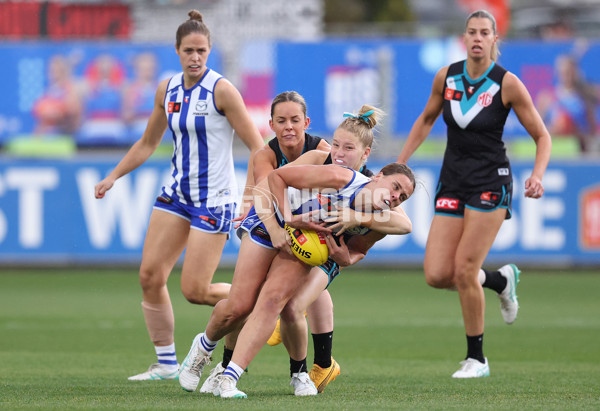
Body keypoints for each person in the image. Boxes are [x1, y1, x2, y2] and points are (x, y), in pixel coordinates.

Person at [178, 107, 413, 397]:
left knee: (277, 301)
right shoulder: (326, 163)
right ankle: (204, 348)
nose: (339, 152)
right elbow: (271, 184)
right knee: (240, 306)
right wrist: (284, 223)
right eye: (336, 144)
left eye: (349, 148)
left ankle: (240, 376)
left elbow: (402, 225)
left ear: (366, 156)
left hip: (305, 239)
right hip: (271, 222)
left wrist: (351, 239)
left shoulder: (376, 195)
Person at [94, 9, 264, 381]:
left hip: (214, 199)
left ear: (210, 50)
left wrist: (249, 196)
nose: (195, 57)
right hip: (176, 195)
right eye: (189, 50)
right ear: (177, 50)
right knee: (150, 276)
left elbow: (258, 147)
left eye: (202, 50)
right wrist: (113, 177)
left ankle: (261, 301)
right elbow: (147, 142)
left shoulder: (222, 90)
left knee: (196, 290)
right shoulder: (166, 89)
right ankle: (166, 364)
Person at [396, 10, 552, 378]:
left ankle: (477, 359)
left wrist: (538, 175)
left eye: (485, 32)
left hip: (490, 181)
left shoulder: (507, 83)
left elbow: (542, 136)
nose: (478, 38)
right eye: (472, 32)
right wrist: (400, 164)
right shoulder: (446, 77)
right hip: (452, 180)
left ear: (495, 39)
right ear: (463, 38)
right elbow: (426, 119)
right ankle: (499, 280)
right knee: (436, 273)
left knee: (465, 269)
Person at [536, 53, 600, 153]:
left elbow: (592, 130)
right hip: (555, 148)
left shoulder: (585, 97)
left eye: (570, 72)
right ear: (558, 73)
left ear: (576, 72)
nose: (567, 75)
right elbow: (536, 129)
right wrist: (557, 128)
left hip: (579, 149)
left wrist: (575, 131)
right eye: (564, 72)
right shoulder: (547, 98)